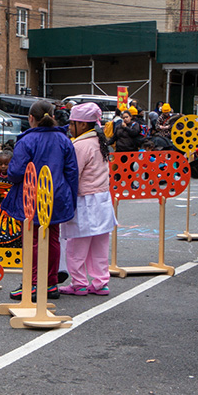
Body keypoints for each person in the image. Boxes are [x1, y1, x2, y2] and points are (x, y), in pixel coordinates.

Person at [0, 100, 79, 300]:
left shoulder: (26, 141)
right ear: (52, 116)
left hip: (31, 195)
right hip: (58, 194)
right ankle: (51, 283)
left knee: (33, 239)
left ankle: (33, 283)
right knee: (52, 237)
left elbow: (16, 172)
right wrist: (71, 199)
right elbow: (72, 172)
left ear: (31, 118)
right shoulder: (64, 139)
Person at [59, 103, 116, 296]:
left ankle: (79, 282)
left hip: (84, 201)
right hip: (102, 200)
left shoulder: (80, 145)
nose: (69, 127)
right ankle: (101, 282)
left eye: (72, 123)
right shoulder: (100, 142)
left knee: (76, 246)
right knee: (99, 246)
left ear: (82, 125)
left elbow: (73, 174)